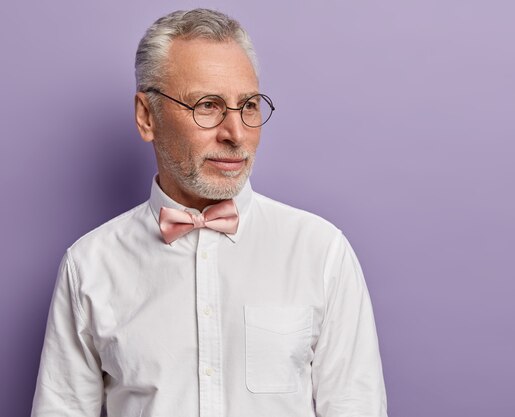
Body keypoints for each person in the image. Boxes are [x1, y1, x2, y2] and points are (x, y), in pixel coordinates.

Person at [31, 8, 387, 417]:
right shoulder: (89, 265)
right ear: (147, 116)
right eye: (207, 105)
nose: (235, 134)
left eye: (249, 106)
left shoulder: (322, 252)